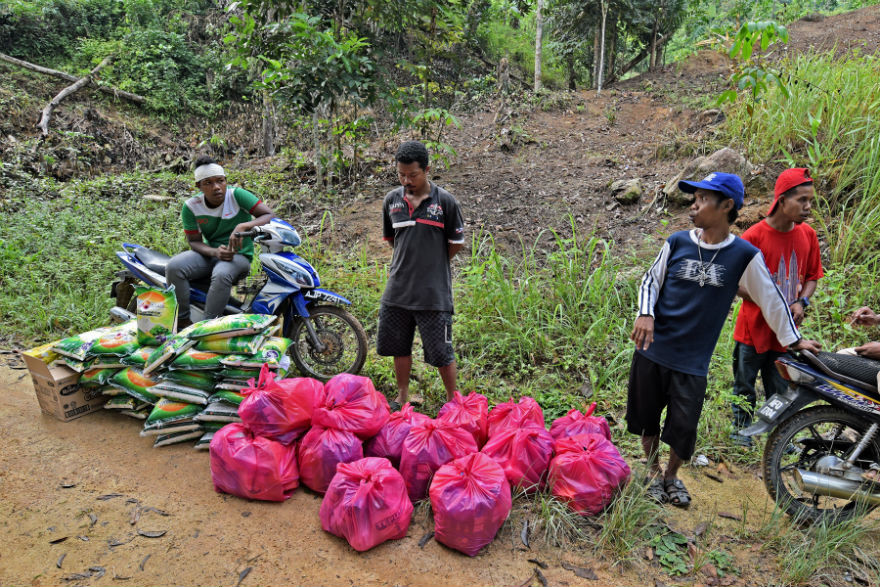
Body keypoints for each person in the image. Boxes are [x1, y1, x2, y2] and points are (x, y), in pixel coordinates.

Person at [627, 171, 821, 508]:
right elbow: (650, 282)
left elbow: (771, 300)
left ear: (726, 205)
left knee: (683, 427)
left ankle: (672, 475)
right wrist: (646, 313)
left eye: (702, 199)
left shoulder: (743, 255)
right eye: (695, 197)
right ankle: (654, 472)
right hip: (653, 350)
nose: (694, 204)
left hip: (692, 360)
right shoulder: (677, 242)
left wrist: (793, 341)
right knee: (647, 419)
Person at [730, 168, 824, 446]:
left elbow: (811, 276)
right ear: (782, 200)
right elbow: (733, 282)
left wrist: (801, 301)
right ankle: (740, 430)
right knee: (744, 384)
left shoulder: (807, 235)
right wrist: (767, 302)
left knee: (781, 387)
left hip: (787, 334)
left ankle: (780, 436)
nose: (808, 207)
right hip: (752, 329)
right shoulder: (753, 238)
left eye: (811, 201)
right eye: (802, 200)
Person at [377, 141, 465, 409]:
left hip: (433, 294)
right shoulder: (392, 201)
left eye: (412, 175)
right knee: (398, 347)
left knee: (442, 352)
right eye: (401, 174)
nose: (406, 180)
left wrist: (433, 264)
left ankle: (453, 402)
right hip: (398, 291)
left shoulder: (446, 203)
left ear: (427, 170)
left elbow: (456, 243)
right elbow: (393, 240)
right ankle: (402, 396)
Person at [166, 155, 274, 327]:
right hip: (211, 255)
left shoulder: (237, 196)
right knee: (174, 267)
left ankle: (208, 327)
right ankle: (183, 321)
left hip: (239, 257)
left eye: (220, 181)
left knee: (222, 273)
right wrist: (215, 252)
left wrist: (243, 226)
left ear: (225, 181)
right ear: (198, 186)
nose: (216, 187)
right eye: (208, 183)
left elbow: (269, 215)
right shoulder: (191, 206)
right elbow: (194, 242)